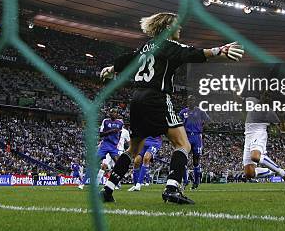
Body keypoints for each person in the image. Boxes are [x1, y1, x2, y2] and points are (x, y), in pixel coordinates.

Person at [98, 12, 244, 204]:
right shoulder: (169, 45)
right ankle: (172, 188)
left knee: (133, 150)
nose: (180, 28)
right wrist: (220, 50)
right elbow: (194, 53)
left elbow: (128, 59)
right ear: (168, 28)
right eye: (177, 25)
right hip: (157, 98)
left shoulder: (146, 46)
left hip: (137, 99)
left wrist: (111, 68)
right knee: (183, 144)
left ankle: (107, 190)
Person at [242, 96, 285, 188]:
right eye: (265, 94)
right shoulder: (251, 100)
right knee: (249, 174)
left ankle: (282, 173)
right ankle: (273, 169)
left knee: (255, 156)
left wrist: (281, 117)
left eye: (269, 95)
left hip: (259, 134)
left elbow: (283, 130)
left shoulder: (270, 113)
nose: (266, 96)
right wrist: (234, 92)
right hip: (248, 137)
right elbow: (239, 100)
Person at [80, 108, 123, 190]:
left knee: (118, 165)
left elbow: (119, 134)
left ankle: (115, 183)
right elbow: (101, 134)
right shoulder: (105, 121)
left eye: (115, 112)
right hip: (105, 145)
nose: (114, 113)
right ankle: (82, 183)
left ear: (117, 114)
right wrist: (112, 131)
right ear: (109, 114)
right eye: (112, 112)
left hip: (113, 147)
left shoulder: (120, 123)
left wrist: (116, 143)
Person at [179, 95, 209, 190]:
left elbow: (208, 121)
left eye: (193, 100)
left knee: (196, 160)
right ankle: (185, 180)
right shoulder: (183, 112)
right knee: (183, 158)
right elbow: (178, 123)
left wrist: (202, 130)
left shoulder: (200, 111)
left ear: (195, 101)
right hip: (186, 137)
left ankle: (196, 182)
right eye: (190, 100)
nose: (191, 101)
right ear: (187, 101)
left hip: (196, 137)